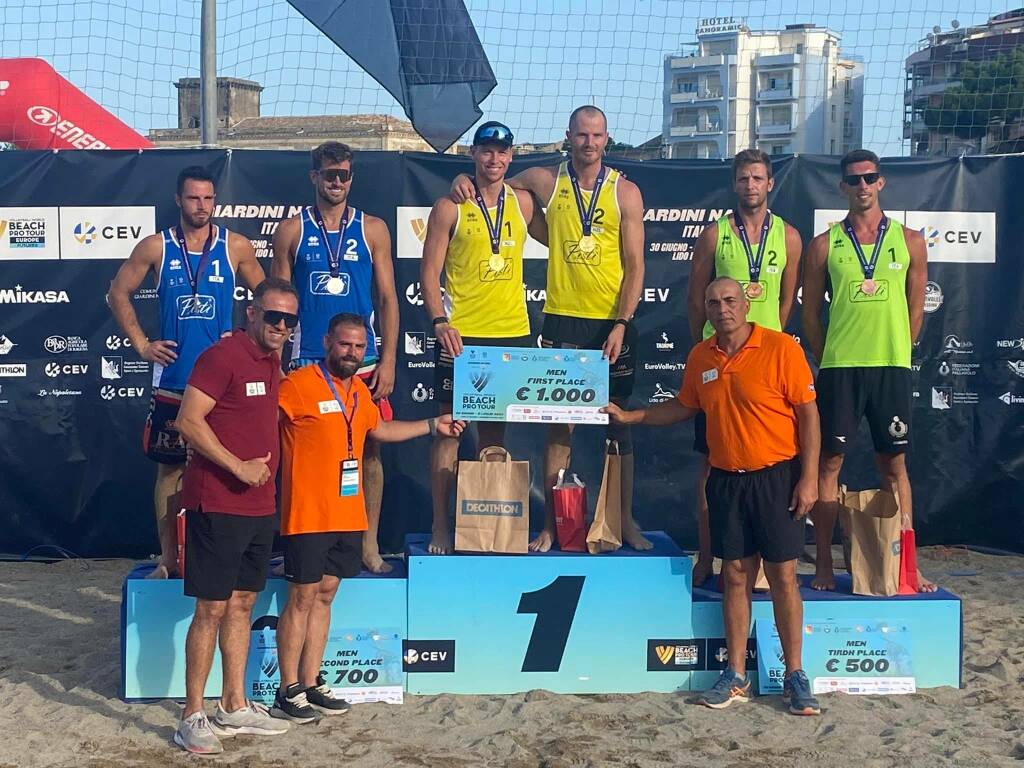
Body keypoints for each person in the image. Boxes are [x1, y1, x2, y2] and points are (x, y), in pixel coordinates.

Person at [605, 277, 822, 716]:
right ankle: (736, 674)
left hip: (777, 478)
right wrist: (631, 416)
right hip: (727, 480)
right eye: (713, 303)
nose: (721, 309)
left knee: (782, 577)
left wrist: (809, 478)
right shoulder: (701, 356)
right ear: (704, 310)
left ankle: (795, 674)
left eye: (729, 301)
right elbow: (683, 406)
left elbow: (808, 415)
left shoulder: (781, 349)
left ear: (746, 305)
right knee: (736, 577)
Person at [450, 105, 647, 552]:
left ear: (607, 139)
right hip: (562, 319)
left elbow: (636, 266)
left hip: (610, 324)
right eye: (581, 135)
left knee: (619, 426)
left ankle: (624, 520)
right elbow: (495, 188)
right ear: (568, 137)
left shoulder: (626, 192)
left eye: (597, 136)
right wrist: (459, 182)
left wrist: (622, 322)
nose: (589, 143)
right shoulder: (544, 180)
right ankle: (554, 526)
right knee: (559, 428)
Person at [272, 313, 466, 721]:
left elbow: (380, 431)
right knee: (302, 598)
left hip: (347, 512)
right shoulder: (296, 385)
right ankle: (287, 689)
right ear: (327, 342)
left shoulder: (361, 392)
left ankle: (310, 682)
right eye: (345, 345)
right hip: (307, 513)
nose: (352, 353)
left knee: (326, 595)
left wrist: (434, 424)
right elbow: (262, 426)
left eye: (359, 347)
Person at [108, 165, 265, 579]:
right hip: (175, 381)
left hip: (223, 385)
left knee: (225, 466)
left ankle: (221, 554)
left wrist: (247, 336)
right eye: (194, 198)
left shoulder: (236, 247)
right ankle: (169, 558)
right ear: (179, 200)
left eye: (209, 198)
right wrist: (142, 344)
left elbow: (268, 299)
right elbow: (117, 292)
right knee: (170, 470)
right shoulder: (156, 247)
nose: (202, 206)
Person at [171, 278, 299, 754]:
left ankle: (233, 703)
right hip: (218, 502)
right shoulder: (221, 357)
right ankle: (192, 713)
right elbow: (187, 420)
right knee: (211, 609)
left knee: (243, 605)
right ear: (251, 312)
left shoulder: (273, 362)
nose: (281, 327)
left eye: (289, 320)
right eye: (273, 317)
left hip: (260, 507)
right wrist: (237, 466)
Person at [801, 149, 935, 592]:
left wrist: (897, 348)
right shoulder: (823, 245)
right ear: (842, 187)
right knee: (829, 464)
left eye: (869, 178)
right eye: (853, 180)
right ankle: (822, 562)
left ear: (882, 183)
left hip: (890, 369)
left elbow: (916, 311)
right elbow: (809, 319)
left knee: (893, 464)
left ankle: (907, 569)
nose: (862, 186)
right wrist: (832, 355)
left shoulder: (911, 240)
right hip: (841, 369)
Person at [271, 141, 399, 574]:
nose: (337, 182)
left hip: (362, 360)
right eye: (329, 174)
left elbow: (386, 297)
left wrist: (390, 360)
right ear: (314, 177)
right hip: (308, 359)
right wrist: (276, 358)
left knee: (372, 451)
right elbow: (280, 302)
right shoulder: (291, 230)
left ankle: (368, 544)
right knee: (300, 457)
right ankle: (296, 542)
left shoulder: (373, 228)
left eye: (344, 175)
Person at [420, 120, 540, 554]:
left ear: (511, 157)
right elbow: (428, 273)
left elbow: (555, 182)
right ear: (473, 154)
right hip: (462, 335)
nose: (494, 160)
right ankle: (439, 524)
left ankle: (485, 527)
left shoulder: (524, 203)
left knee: (494, 438)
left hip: (510, 333)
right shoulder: (449, 206)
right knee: (449, 433)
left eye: (502, 152)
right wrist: (439, 321)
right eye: (486, 151)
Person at [686, 149, 803, 586]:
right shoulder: (715, 235)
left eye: (757, 178)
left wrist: (768, 341)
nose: (750, 186)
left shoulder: (789, 236)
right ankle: (707, 557)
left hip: (766, 365)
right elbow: (697, 297)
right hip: (719, 362)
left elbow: (786, 301)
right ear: (734, 185)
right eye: (742, 179)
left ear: (770, 183)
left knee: (772, 467)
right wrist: (702, 347)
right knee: (711, 468)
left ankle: (760, 561)